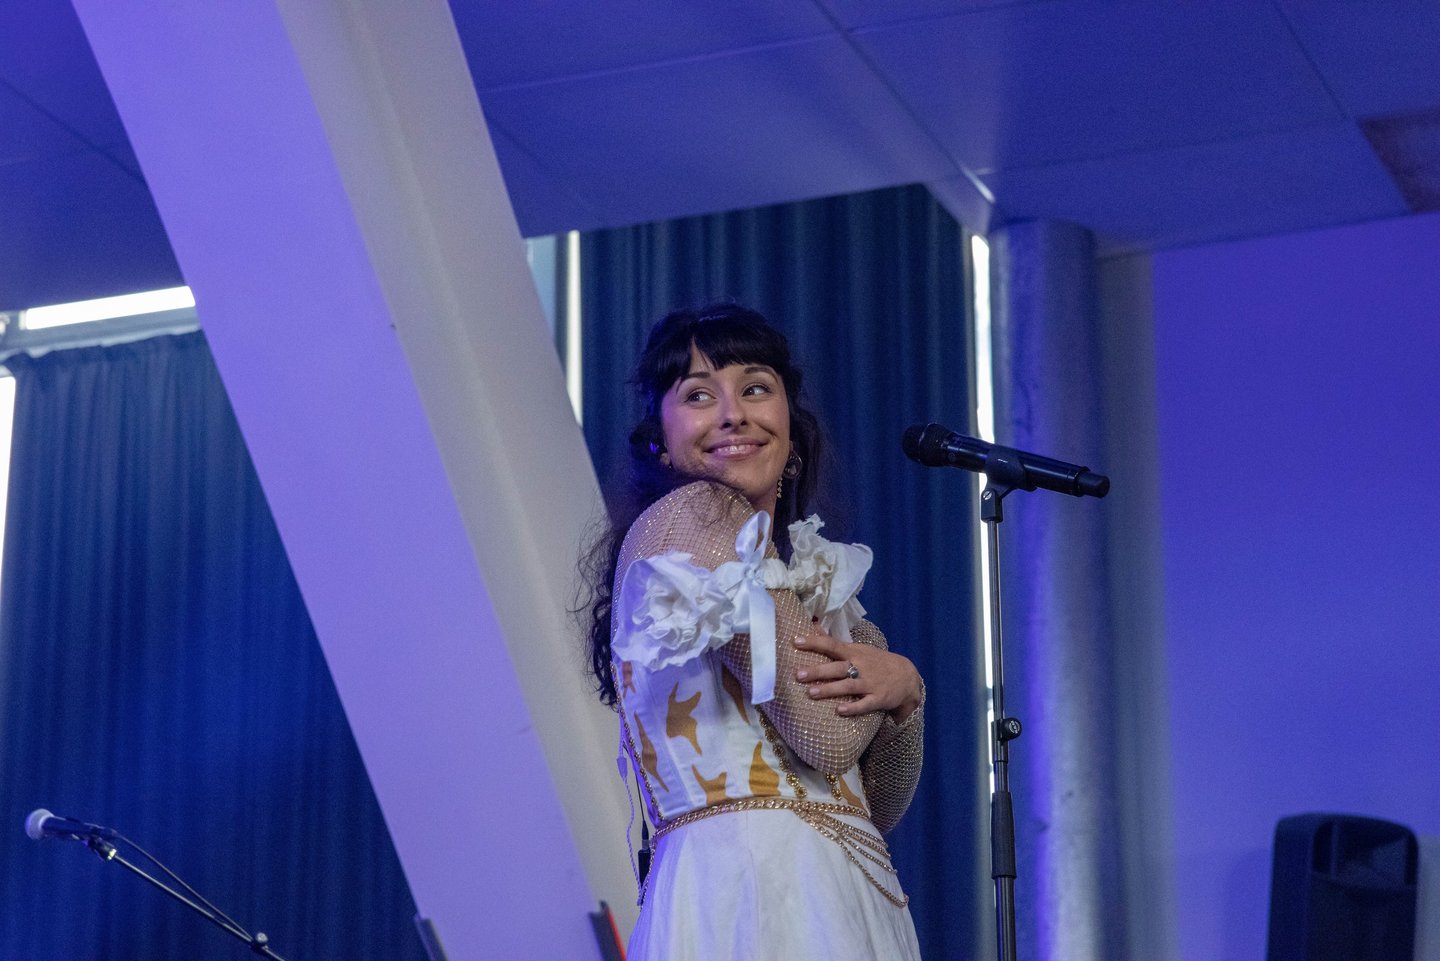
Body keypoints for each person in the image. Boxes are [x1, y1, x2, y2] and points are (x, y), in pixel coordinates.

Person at [584, 303, 926, 960]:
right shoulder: (697, 513)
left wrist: (905, 696)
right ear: (660, 440)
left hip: (838, 894)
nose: (732, 413)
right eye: (698, 395)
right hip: (750, 890)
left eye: (756, 388)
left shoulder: (798, 581)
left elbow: (872, 808)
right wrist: (888, 665)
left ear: (790, 427)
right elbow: (826, 738)